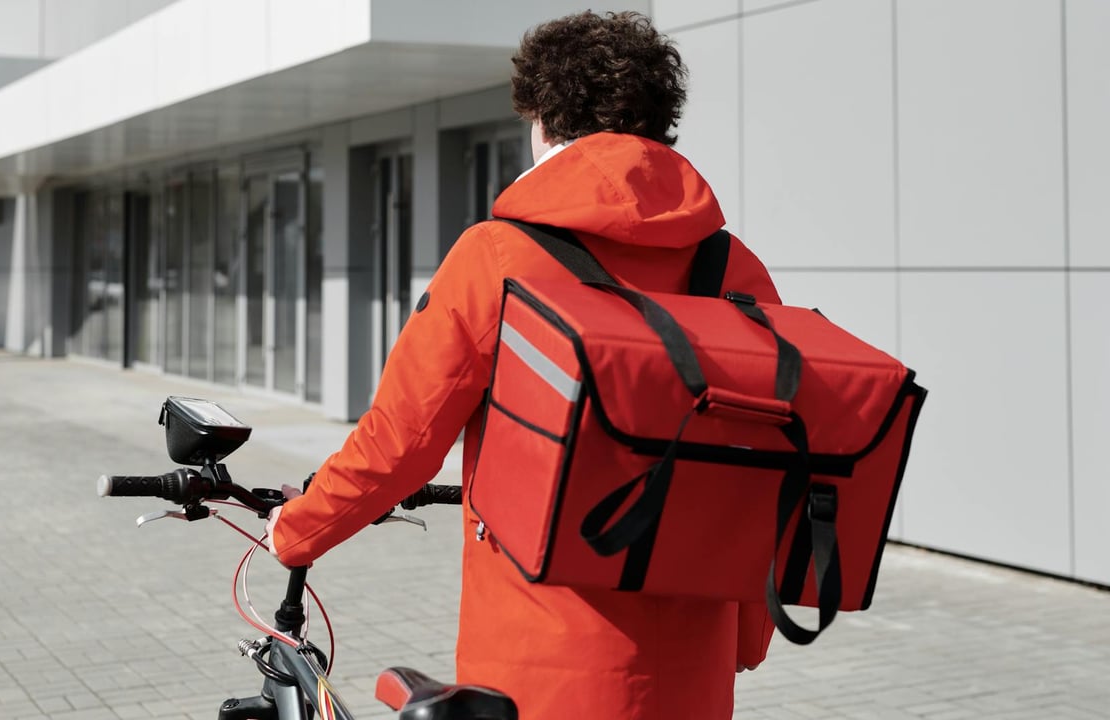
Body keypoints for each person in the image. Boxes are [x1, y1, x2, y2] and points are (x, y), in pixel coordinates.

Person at [267, 11, 781, 719]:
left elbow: (401, 443)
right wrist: (743, 638)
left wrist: (298, 529)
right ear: (661, 123)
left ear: (544, 123)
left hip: (536, 672)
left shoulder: (498, 257)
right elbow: (763, 464)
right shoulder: (734, 266)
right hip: (694, 673)